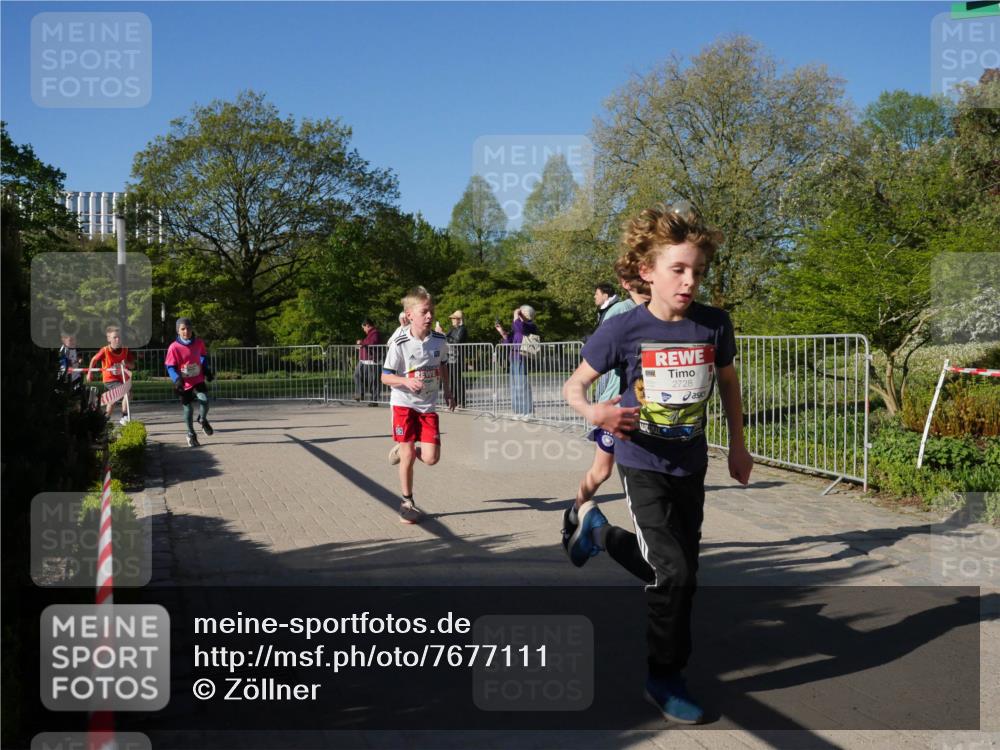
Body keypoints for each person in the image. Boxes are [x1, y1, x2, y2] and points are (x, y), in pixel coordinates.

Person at [561, 202, 753, 725]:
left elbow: (730, 385)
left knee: (678, 572)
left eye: (698, 271)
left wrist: (738, 444)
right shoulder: (623, 330)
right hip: (641, 462)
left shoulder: (714, 324)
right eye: (678, 269)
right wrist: (596, 411)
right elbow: (573, 386)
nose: (690, 281)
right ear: (647, 272)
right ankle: (664, 676)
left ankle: (597, 534)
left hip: (690, 464)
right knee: (676, 572)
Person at [573, 261, 651, 514]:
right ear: (627, 283)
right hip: (620, 400)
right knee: (602, 470)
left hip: (655, 410)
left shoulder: (670, 309)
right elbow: (595, 363)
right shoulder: (621, 313)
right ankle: (575, 512)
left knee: (645, 477)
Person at [381, 287, 456, 524]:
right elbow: (385, 376)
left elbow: (443, 364)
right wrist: (405, 380)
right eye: (425, 311)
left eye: (431, 311)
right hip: (403, 404)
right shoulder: (400, 342)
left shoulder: (440, 339)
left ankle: (405, 450)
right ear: (410, 314)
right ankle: (407, 502)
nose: (430, 315)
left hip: (427, 405)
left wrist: (449, 390)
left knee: (432, 458)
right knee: (408, 455)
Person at [165, 317, 215, 448]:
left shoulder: (198, 343)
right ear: (178, 331)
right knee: (188, 408)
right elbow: (170, 366)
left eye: (188, 328)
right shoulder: (174, 347)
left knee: (205, 401)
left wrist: (206, 370)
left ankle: (202, 419)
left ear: (192, 329)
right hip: (183, 382)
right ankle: (191, 433)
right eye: (183, 329)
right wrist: (176, 379)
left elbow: (203, 356)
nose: (186, 331)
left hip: (197, 379)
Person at [495, 305, 539, 415]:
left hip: (522, 356)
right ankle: (517, 411)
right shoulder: (518, 325)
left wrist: (515, 316)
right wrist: (502, 333)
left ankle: (527, 411)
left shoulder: (530, 325)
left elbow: (520, 329)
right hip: (514, 357)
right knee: (514, 385)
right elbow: (510, 340)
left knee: (522, 384)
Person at [86, 325, 136, 424]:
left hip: (122, 378)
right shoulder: (105, 350)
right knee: (127, 393)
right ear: (109, 339)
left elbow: (132, 366)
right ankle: (124, 416)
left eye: (119, 337)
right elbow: (94, 359)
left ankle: (104, 419)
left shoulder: (125, 350)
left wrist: (126, 363)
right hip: (110, 379)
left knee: (112, 400)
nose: (117, 340)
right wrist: (89, 373)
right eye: (114, 337)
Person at [354, 318, 382, 403]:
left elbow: (372, 342)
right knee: (357, 375)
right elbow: (367, 342)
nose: (363, 330)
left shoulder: (375, 333)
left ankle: (374, 400)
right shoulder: (370, 334)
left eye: (364, 328)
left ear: (367, 325)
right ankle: (360, 394)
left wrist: (361, 342)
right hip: (363, 361)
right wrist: (361, 344)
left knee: (373, 381)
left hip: (373, 361)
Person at [444, 310, 468, 408]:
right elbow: (446, 337)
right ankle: (454, 401)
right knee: (451, 380)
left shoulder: (462, 329)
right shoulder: (452, 329)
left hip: (457, 357)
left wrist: (445, 337)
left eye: (454, 318)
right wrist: (442, 334)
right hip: (449, 357)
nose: (452, 320)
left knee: (457, 380)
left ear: (459, 320)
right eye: (452, 318)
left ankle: (461, 402)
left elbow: (456, 341)